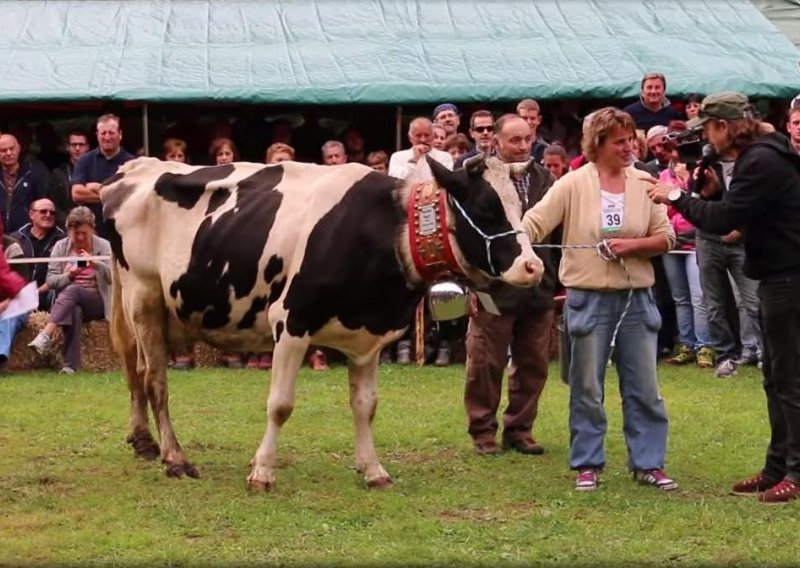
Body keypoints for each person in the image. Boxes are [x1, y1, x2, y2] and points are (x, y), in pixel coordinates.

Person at [647, 91, 800, 503]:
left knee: (789, 381)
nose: (706, 138)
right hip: (777, 276)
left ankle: (797, 474)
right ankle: (776, 467)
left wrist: (677, 196)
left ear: (725, 126)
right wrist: (712, 193)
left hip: (788, 280)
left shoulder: (761, 160)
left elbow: (725, 221)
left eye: (709, 129)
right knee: (775, 379)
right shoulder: (765, 153)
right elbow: (739, 209)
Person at [523, 107, 678, 492]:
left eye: (631, 140)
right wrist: (509, 242)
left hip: (637, 301)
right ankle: (588, 463)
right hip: (587, 299)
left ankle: (648, 463)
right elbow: (533, 224)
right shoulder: (572, 183)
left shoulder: (645, 181)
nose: (628, 147)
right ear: (599, 144)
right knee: (587, 386)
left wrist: (633, 245)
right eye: (619, 141)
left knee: (644, 386)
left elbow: (667, 237)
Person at [464, 114, 556, 456]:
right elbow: (464, 238)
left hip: (538, 285)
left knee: (534, 363)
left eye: (527, 139)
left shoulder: (545, 178)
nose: (522, 146)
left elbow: (557, 233)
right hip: (492, 287)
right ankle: (482, 431)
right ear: (495, 142)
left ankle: (520, 429)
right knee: (485, 362)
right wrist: (468, 286)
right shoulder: (477, 179)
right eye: (514, 140)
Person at [27, 206, 112, 375]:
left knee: (73, 291)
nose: (80, 238)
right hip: (68, 302)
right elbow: (51, 280)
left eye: (84, 234)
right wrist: (68, 276)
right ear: (68, 231)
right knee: (75, 309)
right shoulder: (60, 247)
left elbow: (114, 277)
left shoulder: (104, 246)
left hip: (98, 301)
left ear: (92, 230)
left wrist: (96, 263)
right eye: (76, 234)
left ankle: (46, 334)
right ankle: (69, 366)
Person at [657, 124, 713, 368]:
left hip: (695, 238)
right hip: (672, 239)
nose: (676, 154)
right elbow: (663, 207)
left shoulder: (700, 171)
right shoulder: (662, 176)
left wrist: (682, 183)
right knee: (680, 297)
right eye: (672, 149)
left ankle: (704, 346)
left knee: (698, 295)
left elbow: (697, 204)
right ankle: (687, 344)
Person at [71, 114, 135, 239]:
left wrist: (98, 188)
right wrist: (114, 194)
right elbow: (77, 194)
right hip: (93, 233)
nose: (107, 137)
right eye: (103, 133)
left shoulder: (132, 163)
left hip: (123, 231)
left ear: (120, 134)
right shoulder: (84, 160)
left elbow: (130, 197)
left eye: (111, 133)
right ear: (97, 135)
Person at [10, 198, 65, 311]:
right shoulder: (15, 239)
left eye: (52, 212)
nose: (48, 215)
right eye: (43, 211)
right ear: (31, 214)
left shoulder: (63, 240)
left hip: (49, 295)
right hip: (19, 294)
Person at [0, 134, 50, 233]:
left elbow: (43, 203)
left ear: (18, 148)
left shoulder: (34, 173)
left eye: (12, 148)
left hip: (26, 235)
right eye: (3, 150)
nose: (9, 153)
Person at [0, 232, 32, 370]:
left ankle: (0, 356)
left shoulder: (12, 248)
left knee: (7, 316)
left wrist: (3, 305)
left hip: (14, 304)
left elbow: (21, 288)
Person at [388, 117, 453, 179]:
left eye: (427, 135)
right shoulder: (398, 157)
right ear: (410, 138)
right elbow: (397, 181)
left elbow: (445, 181)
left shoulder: (445, 157)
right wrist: (414, 159)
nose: (423, 140)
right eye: (418, 135)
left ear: (433, 136)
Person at [49, 130, 89, 224]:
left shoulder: (95, 170)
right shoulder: (58, 173)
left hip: (91, 222)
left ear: (87, 147)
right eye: (74, 145)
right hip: (66, 223)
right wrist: (68, 221)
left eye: (81, 145)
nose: (77, 148)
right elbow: (53, 203)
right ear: (67, 147)